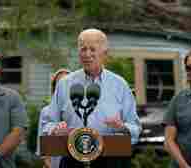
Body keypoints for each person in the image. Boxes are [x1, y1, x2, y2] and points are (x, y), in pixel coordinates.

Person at [43, 28, 141, 168]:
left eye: (92, 49)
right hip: (72, 160)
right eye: (83, 49)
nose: (87, 54)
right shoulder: (65, 84)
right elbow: (47, 123)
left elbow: (135, 128)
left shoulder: (120, 85)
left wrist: (122, 127)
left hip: (110, 160)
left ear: (104, 54)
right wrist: (55, 129)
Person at [37, 69, 70, 168]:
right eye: (59, 84)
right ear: (54, 88)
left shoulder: (81, 112)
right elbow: (42, 149)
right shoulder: (46, 111)